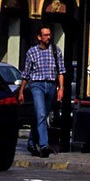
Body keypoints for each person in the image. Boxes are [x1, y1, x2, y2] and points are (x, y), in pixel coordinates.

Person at [19, 23, 66, 156]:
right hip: (37, 85)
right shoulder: (32, 52)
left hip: (51, 85)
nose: (48, 37)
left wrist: (61, 88)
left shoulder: (56, 51)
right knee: (40, 114)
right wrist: (21, 91)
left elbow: (61, 71)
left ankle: (31, 143)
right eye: (45, 35)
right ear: (39, 37)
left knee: (41, 116)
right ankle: (44, 145)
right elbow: (26, 73)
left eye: (49, 34)